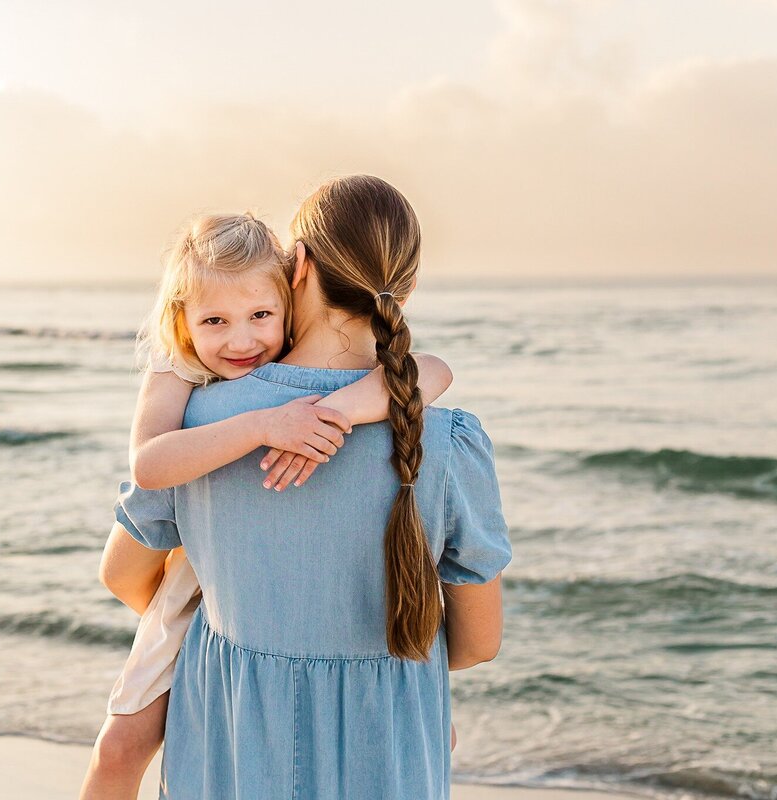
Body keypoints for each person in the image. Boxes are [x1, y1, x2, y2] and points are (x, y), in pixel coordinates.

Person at [99, 175, 511, 799]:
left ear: (299, 268)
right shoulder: (448, 442)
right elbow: (478, 644)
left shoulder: (200, 425)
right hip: (388, 747)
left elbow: (123, 574)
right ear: (408, 287)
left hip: (230, 732)